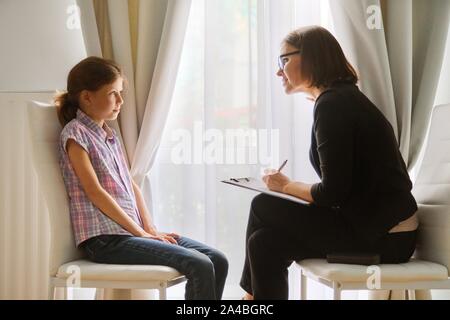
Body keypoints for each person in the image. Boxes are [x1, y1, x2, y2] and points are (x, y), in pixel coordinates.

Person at [240, 26, 418, 300]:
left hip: (386, 236)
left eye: (284, 60)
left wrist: (285, 186)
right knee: (264, 244)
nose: (279, 71)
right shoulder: (338, 99)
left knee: (263, 204)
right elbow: (342, 191)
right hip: (368, 226)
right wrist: (287, 189)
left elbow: (332, 192)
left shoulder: (333, 104)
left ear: (310, 56)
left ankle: (249, 300)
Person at [56, 56, 228, 300]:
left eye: (120, 93)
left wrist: (149, 229)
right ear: (87, 97)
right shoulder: (75, 133)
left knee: (217, 260)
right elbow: (94, 191)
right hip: (105, 240)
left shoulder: (109, 135)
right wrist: (139, 232)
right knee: (199, 265)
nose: (120, 101)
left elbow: (131, 185)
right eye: (113, 93)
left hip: (129, 233)